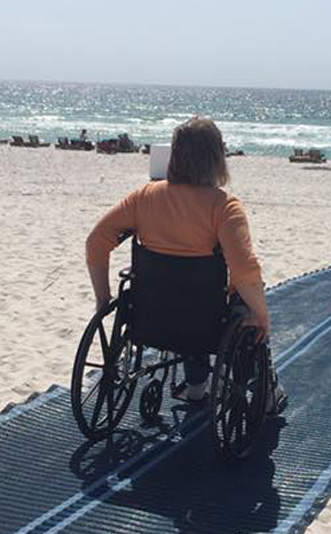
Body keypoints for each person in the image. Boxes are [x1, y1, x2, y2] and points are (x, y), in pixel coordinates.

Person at [85, 117, 283, 410]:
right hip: (204, 322)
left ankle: (196, 386)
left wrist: (103, 298)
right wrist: (262, 315)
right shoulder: (224, 207)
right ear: (217, 158)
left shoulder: (144, 198)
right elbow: (245, 272)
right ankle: (264, 393)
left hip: (149, 317)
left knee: (187, 296)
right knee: (242, 305)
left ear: (175, 155)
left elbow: (96, 242)